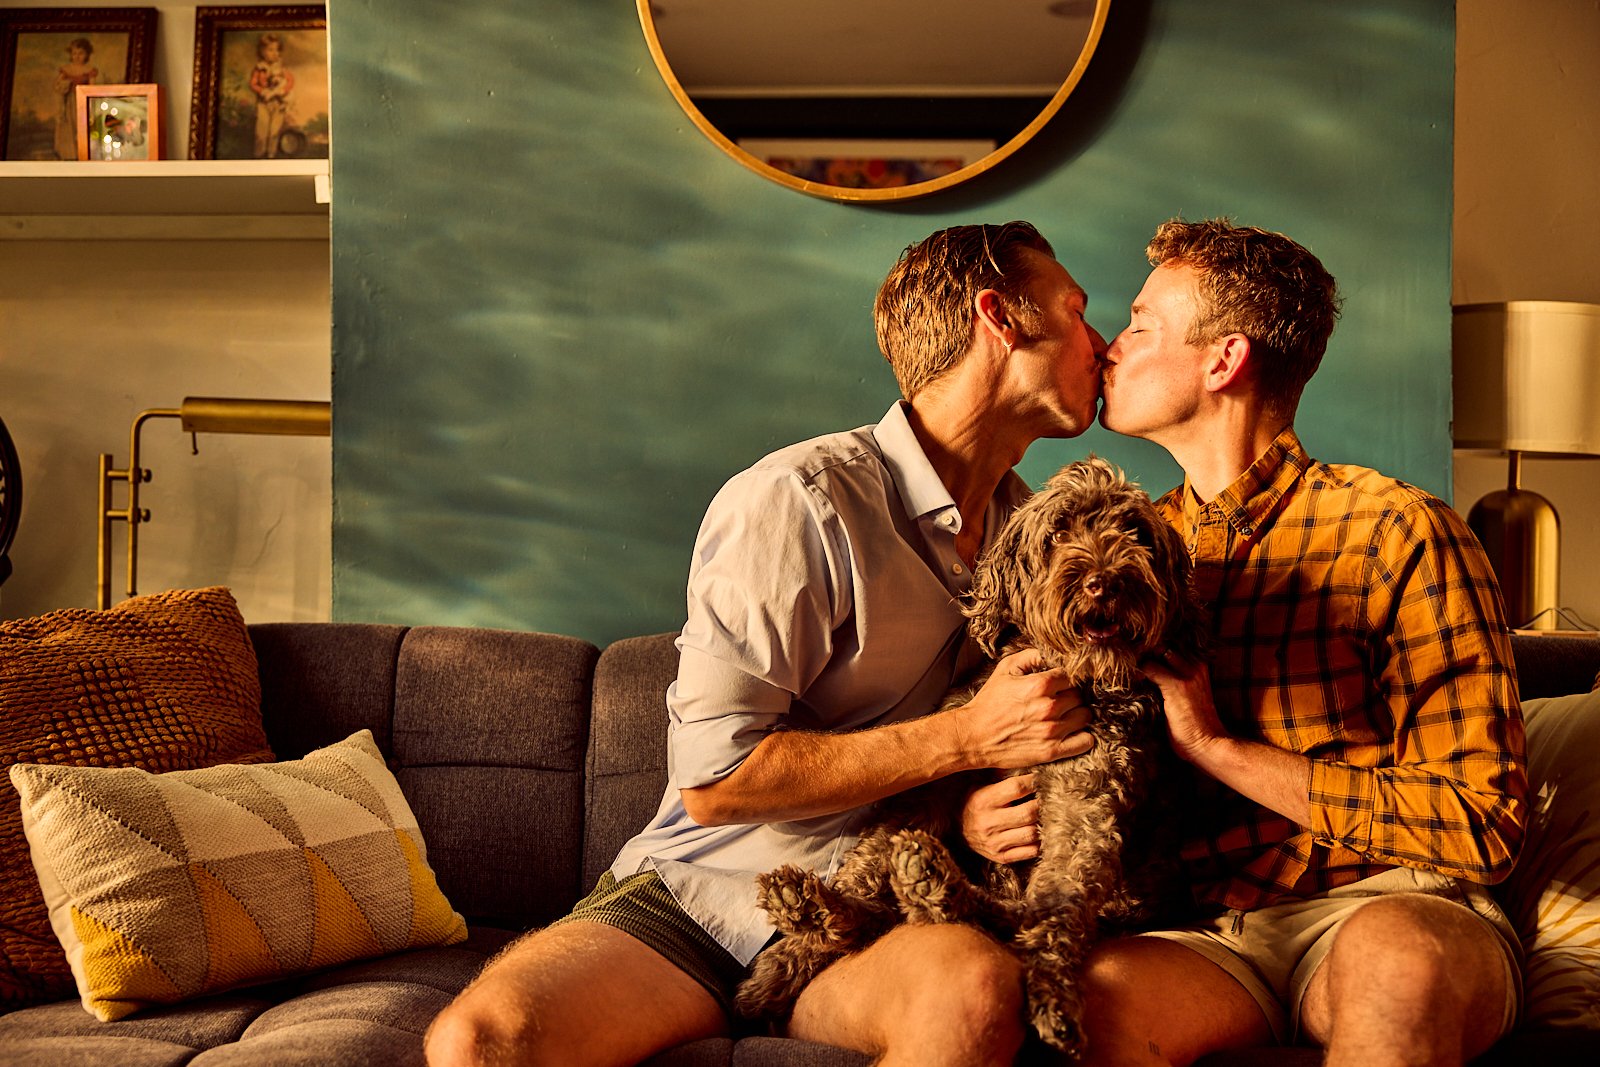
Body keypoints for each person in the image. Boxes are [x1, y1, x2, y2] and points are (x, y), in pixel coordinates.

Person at [425, 221, 1109, 1067]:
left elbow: (1029, 738)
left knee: (970, 993)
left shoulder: (1040, 537)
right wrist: (965, 739)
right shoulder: (800, 501)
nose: (1102, 343)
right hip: (707, 898)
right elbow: (716, 780)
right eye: (1079, 312)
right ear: (999, 318)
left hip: (883, 914)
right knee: (481, 1041)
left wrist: (970, 809)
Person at [965, 218, 1527, 1067]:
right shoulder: (1125, 549)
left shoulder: (1396, 531)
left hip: (1391, 902)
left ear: (1223, 361)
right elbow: (1036, 733)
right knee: (1055, 1007)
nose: (1108, 348)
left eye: (1141, 326)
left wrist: (1219, 749)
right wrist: (978, 814)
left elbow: (1484, 821)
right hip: (1207, 931)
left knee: (1395, 967)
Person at [250, 34, 294, 158]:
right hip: (263, 103)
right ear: (262, 52)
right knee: (261, 132)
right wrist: (262, 91)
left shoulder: (281, 68)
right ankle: (259, 155)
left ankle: (271, 155)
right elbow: (253, 84)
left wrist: (282, 90)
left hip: (279, 103)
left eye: (277, 50)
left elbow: (290, 81)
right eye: (271, 50)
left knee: (275, 131)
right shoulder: (259, 68)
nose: (275, 53)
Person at [53, 38, 98, 161]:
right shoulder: (67, 69)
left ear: (87, 54)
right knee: (69, 127)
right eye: (74, 53)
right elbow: (57, 85)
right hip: (69, 103)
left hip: (83, 103)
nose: (77, 57)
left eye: (81, 53)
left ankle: (83, 154)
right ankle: (69, 154)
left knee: (82, 127)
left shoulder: (89, 70)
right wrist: (66, 84)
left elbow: (93, 88)